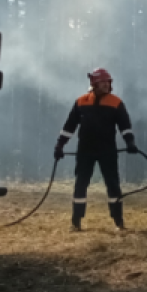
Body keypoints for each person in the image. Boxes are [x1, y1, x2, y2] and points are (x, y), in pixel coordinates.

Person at [54, 68, 138, 231]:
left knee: (113, 185)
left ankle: (119, 222)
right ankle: (76, 222)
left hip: (108, 151)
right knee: (80, 185)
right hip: (85, 151)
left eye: (108, 82)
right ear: (94, 83)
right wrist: (60, 145)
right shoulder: (81, 102)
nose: (107, 85)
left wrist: (130, 143)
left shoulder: (116, 103)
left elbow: (125, 127)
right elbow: (69, 127)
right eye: (103, 82)